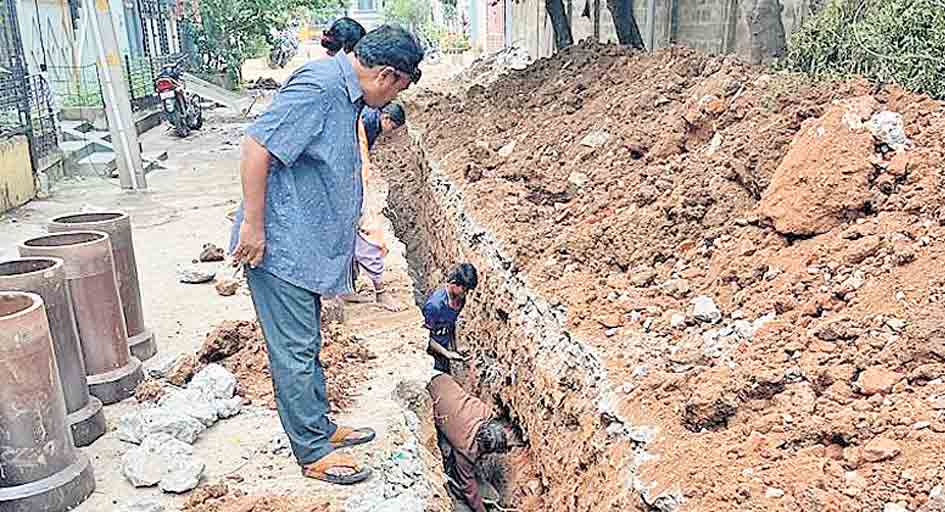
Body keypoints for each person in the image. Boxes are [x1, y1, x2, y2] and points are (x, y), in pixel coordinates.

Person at [229, 25, 423, 485]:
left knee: (307, 343)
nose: (394, 98)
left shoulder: (345, 95)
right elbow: (256, 146)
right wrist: (254, 226)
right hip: (281, 247)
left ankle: (320, 427)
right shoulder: (320, 88)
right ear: (387, 75)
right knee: (294, 352)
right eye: (399, 88)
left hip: (305, 247)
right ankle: (312, 451)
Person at [344, 102, 408, 312]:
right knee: (370, 236)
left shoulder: (363, 118)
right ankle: (380, 291)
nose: (391, 133)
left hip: (345, 185)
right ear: (386, 118)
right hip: (348, 187)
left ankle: (346, 286)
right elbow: (359, 158)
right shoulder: (367, 122)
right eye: (393, 127)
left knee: (349, 237)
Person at [427, 373, 519, 512]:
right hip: (427, 393)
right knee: (446, 452)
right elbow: (468, 489)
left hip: (440, 376)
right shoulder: (466, 452)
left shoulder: (483, 411)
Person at [423, 263, 478, 374]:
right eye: (464, 289)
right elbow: (425, 336)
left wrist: (454, 349)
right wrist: (447, 353)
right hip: (429, 354)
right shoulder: (435, 306)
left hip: (443, 352)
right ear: (453, 283)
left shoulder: (459, 300)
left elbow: (451, 324)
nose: (466, 293)